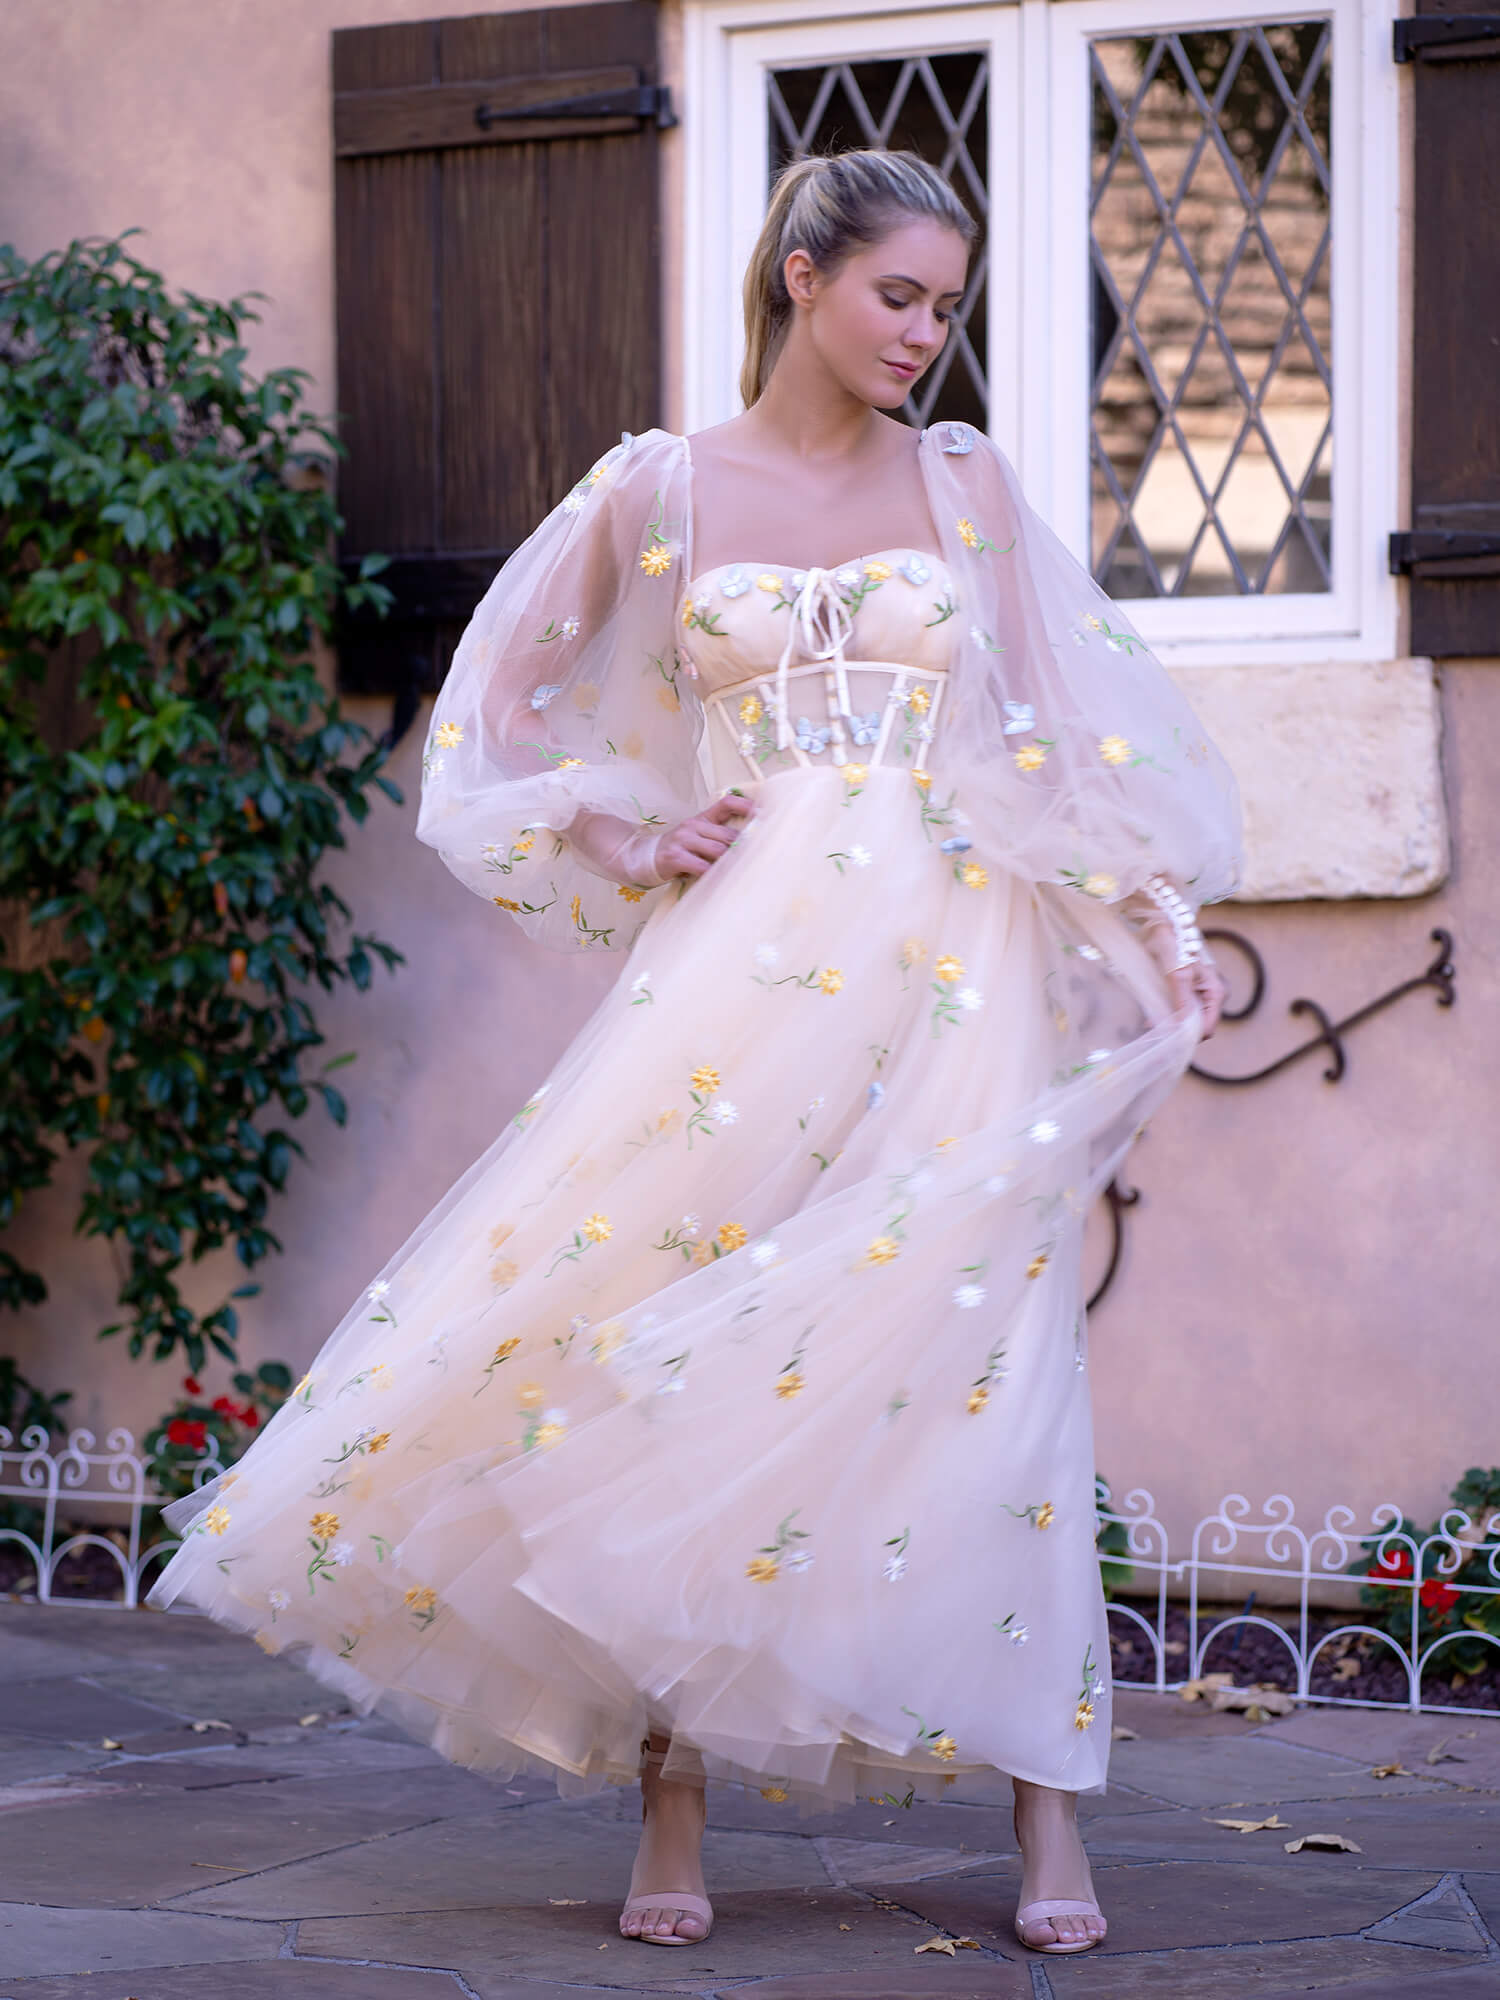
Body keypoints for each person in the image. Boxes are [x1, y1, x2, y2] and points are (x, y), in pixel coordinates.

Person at [151, 149, 1240, 1960]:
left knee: (993, 1357)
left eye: (950, 306)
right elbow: (495, 715)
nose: (928, 333)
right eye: (903, 294)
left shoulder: (961, 483)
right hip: (736, 981)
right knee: (677, 1349)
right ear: (803, 274)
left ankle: (1055, 1815)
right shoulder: (659, 488)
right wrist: (621, 833)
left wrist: (1160, 932)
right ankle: (675, 1795)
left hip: (956, 964)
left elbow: (1052, 736)